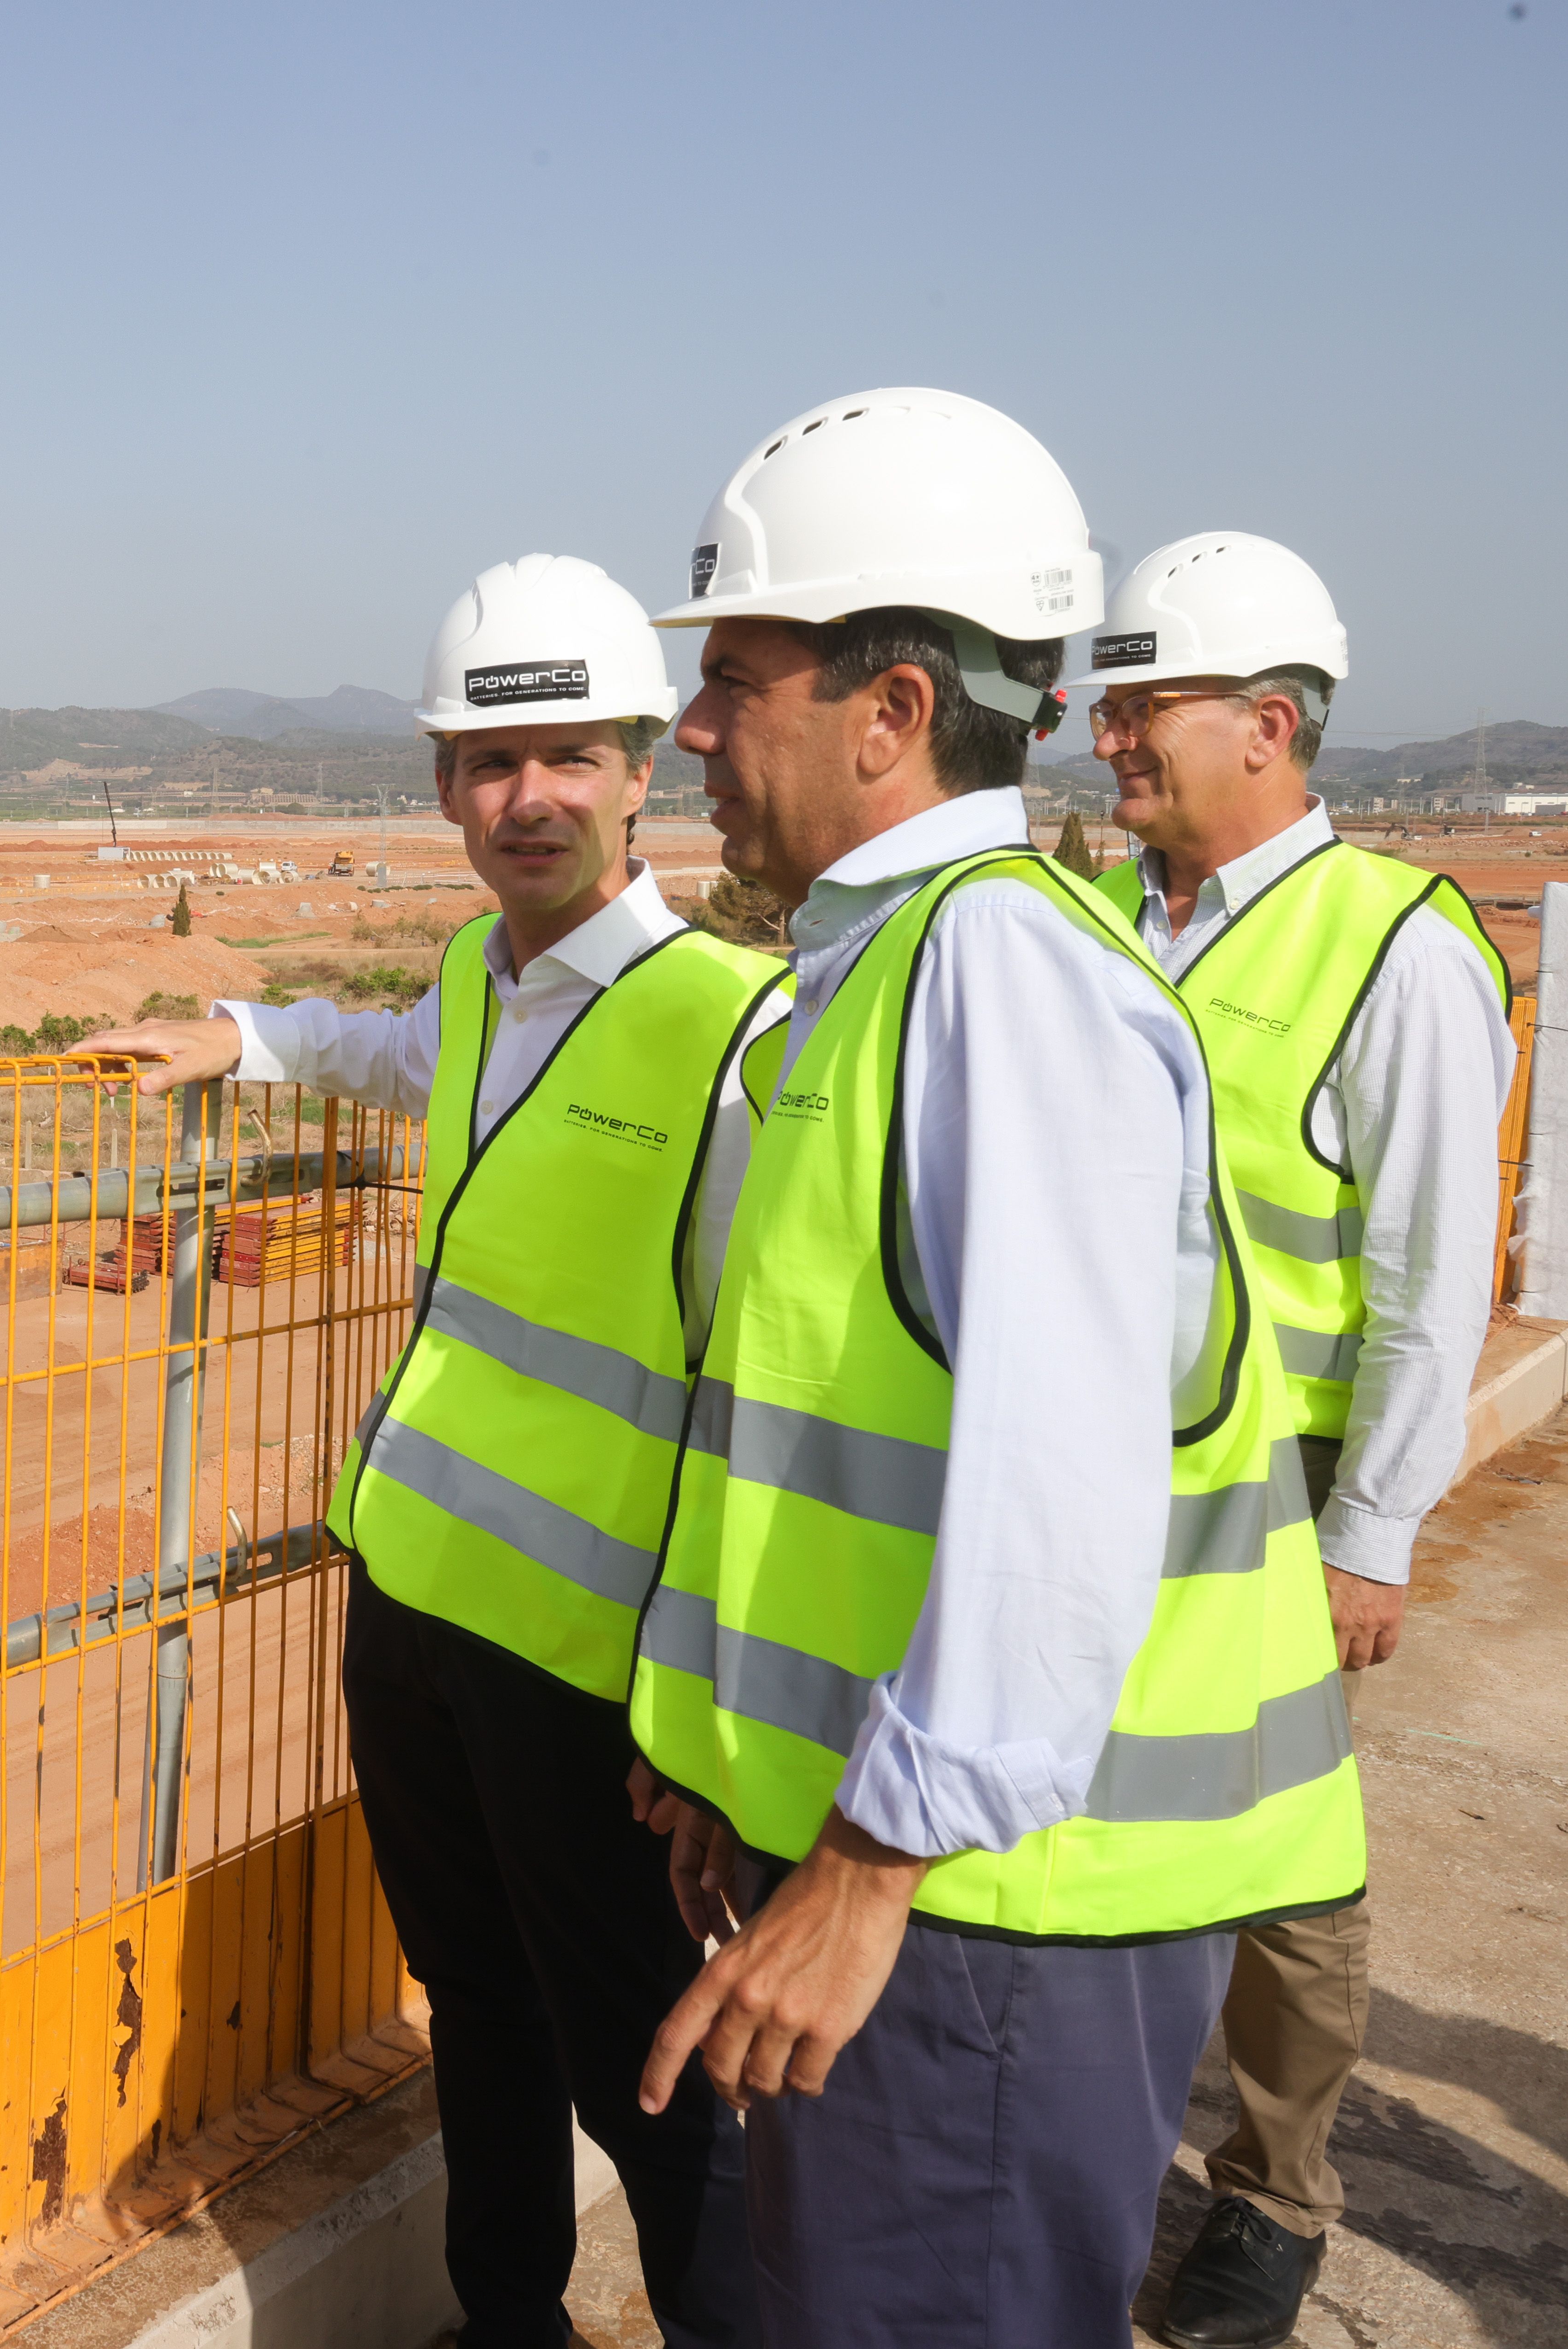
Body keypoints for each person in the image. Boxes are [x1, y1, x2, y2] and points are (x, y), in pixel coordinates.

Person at [619, 389, 1362, 2348]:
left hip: (991, 1906)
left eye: (737, 675)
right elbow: (830, 1430)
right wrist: (731, 1759)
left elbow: (1057, 1476)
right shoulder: (881, 963)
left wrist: (866, 1864)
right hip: (910, 1863)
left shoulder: (1001, 978)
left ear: (890, 708)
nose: (692, 726)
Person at [88, 554, 783, 2349]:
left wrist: (698, 1697)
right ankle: (506, 2317)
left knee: (642, 2039)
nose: (525, 795)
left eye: (565, 754)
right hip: (414, 1600)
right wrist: (239, 1038)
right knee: (473, 1993)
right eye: (487, 761)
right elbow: (401, 1055)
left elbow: (750, 1397)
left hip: (589, 1665)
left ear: (642, 768)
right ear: (442, 790)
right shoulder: (483, 970)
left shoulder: (731, 1030)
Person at [1080, 534, 1513, 2348]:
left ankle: (1273, 2194)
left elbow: (1431, 1276)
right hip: (1093, 1469)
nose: (1108, 735)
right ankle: (1094, 2152)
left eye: (1145, 702)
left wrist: (1379, 1530)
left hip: (1279, 1492)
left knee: (1279, 1858)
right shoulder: (1096, 919)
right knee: (1088, 1830)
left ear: (1269, 723)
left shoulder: (1398, 947)